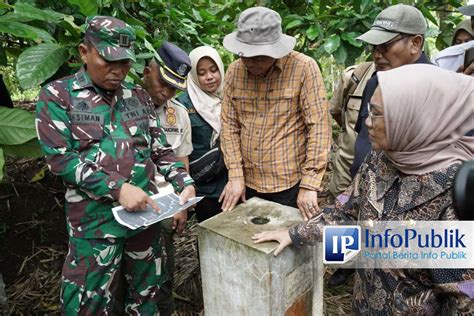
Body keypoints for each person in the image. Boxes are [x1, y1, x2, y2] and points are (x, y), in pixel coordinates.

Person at [253, 64, 474, 314]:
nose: (367, 121)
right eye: (369, 110)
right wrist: (294, 234)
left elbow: (462, 299)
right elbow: (346, 211)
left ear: (412, 118)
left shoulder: (456, 195)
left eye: (377, 114)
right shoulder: (379, 161)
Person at [35, 16, 195, 314]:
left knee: (146, 298)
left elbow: (160, 149)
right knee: (87, 304)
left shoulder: (137, 97)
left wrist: (183, 181)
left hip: (144, 221)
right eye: (108, 61)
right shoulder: (58, 96)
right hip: (94, 226)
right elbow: (61, 159)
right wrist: (118, 188)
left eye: (124, 63)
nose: (118, 70)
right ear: (85, 52)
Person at [220, 7, 331, 221]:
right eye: (245, 54)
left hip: (290, 185)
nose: (250, 61)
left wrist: (310, 184)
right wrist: (235, 175)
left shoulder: (304, 68)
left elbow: (319, 128)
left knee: (289, 246)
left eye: (259, 57)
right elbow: (229, 126)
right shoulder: (234, 71)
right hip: (247, 183)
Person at [350, 4, 431, 179]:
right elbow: (362, 139)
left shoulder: (439, 89)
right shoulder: (375, 83)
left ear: (415, 43)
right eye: (374, 46)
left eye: (384, 45)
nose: (377, 54)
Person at [142, 41, 193, 313]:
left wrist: (182, 205)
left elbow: (181, 161)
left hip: (164, 206)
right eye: (163, 82)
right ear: (148, 70)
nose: (166, 92)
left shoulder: (179, 114)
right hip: (127, 205)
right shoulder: (118, 103)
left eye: (174, 88)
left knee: (163, 275)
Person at [176, 46, 228, 222]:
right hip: (204, 186)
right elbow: (180, 151)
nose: (210, 77)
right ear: (193, 76)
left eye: (214, 70)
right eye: (202, 72)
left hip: (232, 182)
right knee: (210, 234)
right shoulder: (182, 104)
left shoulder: (230, 96)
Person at [328, 62, 375, 200]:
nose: (379, 54)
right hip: (346, 173)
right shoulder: (355, 76)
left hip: (380, 180)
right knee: (341, 207)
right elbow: (336, 111)